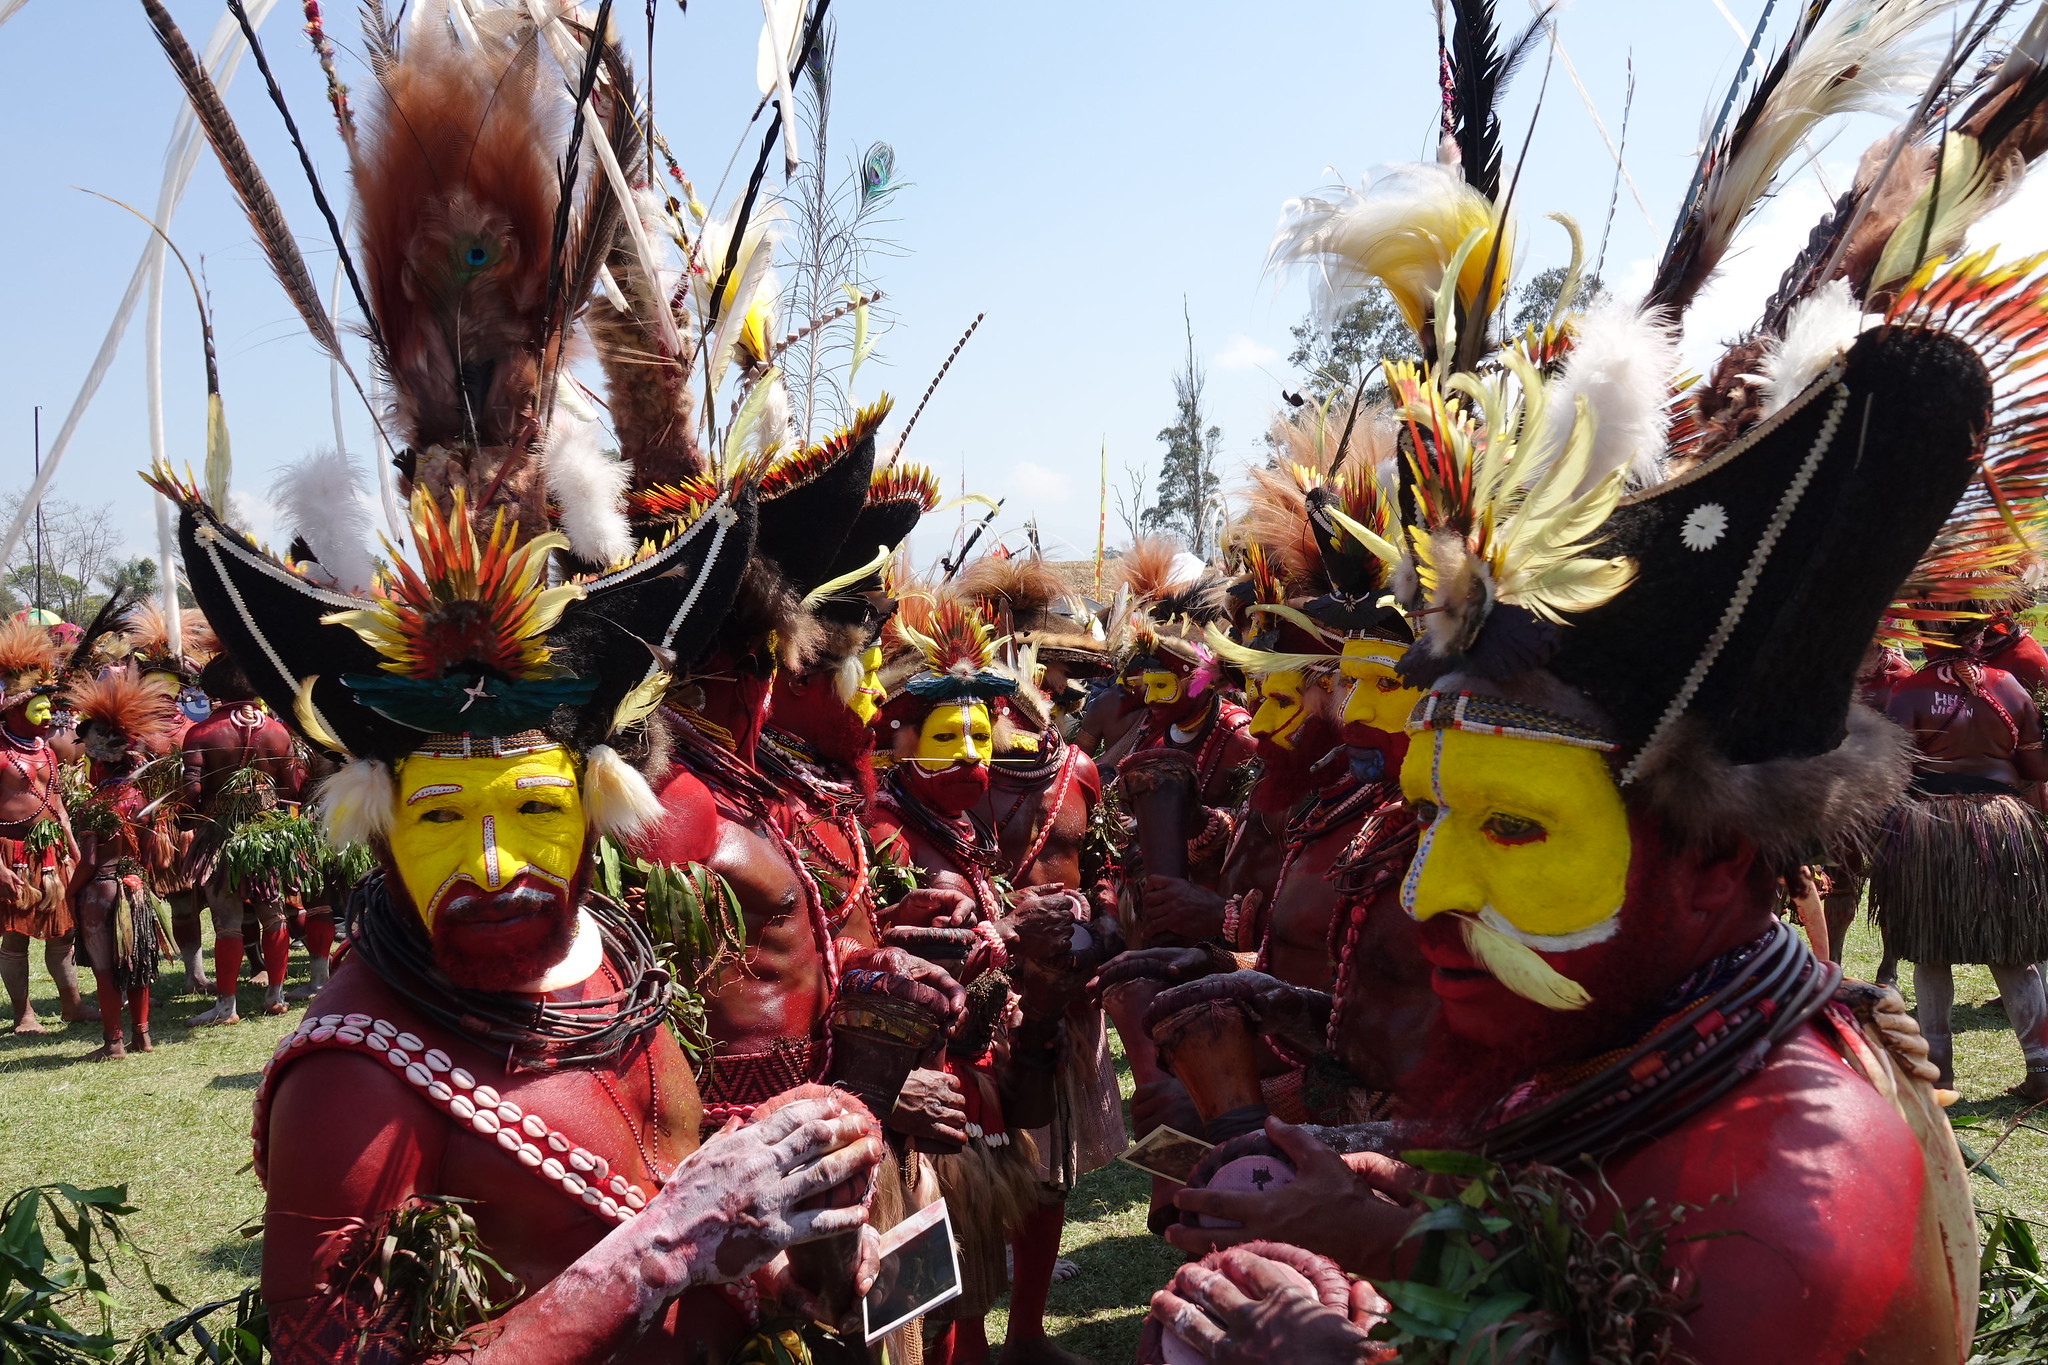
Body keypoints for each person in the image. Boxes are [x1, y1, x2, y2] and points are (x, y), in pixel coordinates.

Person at [1144, 51, 2011, 1350]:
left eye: (1512, 828)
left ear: (1718, 858)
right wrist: (1396, 1228)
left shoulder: (1780, 1229)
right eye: (1441, 820)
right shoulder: (1640, 1054)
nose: (1428, 887)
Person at [1872, 628, 2048, 1098]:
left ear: (1928, 639)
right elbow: (2038, 769)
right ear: (1977, 636)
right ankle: (2042, 1071)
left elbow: (1891, 771)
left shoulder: (1908, 691)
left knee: (1931, 951)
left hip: (1930, 826)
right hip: (2001, 826)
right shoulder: (2008, 685)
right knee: (2014, 953)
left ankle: (1938, 1077)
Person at [66, 667, 181, 1059]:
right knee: (138, 963)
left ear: (99, 762)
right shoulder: (141, 800)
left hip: (101, 888)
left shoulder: (94, 806)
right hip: (136, 886)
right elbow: (151, 850)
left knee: (105, 969)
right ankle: (143, 1036)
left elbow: (89, 861)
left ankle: (113, 1042)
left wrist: (68, 892)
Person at [181, 654, 301, 1025]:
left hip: (220, 835)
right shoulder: (278, 732)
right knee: (274, 912)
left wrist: (191, 817)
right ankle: (275, 996)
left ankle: (227, 1006)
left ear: (214, 689)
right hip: (268, 834)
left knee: (228, 920)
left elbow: (191, 789)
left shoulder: (200, 733)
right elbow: (292, 789)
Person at [120, 600, 218, 992]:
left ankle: (245, 963)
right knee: (180, 902)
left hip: (200, 822)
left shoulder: (199, 722)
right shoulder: (133, 729)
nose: (163, 688)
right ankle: (192, 973)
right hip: (160, 830)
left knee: (218, 895)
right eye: (155, 679)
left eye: (169, 680)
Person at [0, 619, 88, 1033]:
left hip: (52, 852)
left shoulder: (46, 748)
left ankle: (72, 1004)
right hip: (11, 855)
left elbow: (57, 801)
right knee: (15, 939)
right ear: (17, 707)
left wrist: (73, 847)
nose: (50, 713)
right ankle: (24, 1014)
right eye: (40, 706)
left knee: (63, 932)